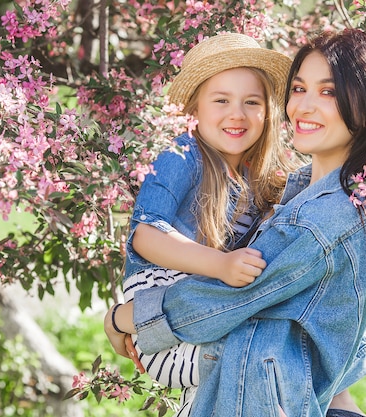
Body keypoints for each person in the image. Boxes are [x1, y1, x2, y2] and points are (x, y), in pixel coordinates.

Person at [105, 28, 366, 417]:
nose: (305, 106)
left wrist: (124, 318)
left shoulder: (320, 219)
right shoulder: (301, 191)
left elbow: (233, 298)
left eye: (328, 92)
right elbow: (322, 319)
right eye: (298, 88)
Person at [120, 32, 297, 416]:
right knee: (261, 362)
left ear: (267, 113)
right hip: (165, 327)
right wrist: (220, 265)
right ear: (194, 110)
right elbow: (145, 234)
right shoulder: (182, 154)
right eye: (221, 100)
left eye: (252, 102)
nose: (237, 113)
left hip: (205, 317)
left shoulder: (255, 178)